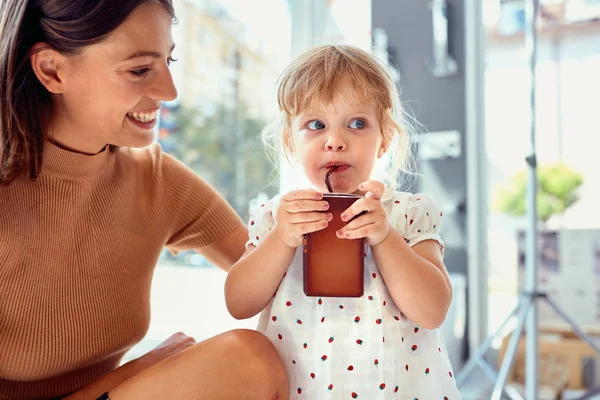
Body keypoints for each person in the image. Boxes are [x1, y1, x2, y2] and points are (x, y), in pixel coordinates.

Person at [0, 1, 289, 399]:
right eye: (139, 70)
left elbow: (276, 276)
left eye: (169, 61)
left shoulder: (155, 180)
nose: (169, 91)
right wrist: (134, 372)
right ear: (52, 70)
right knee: (246, 359)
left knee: (250, 361)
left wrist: (388, 239)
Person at [225, 45, 461, 399]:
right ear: (290, 141)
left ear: (385, 140)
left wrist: (385, 238)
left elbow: (432, 311)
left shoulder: (406, 213)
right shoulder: (276, 217)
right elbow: (238, 304)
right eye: (316, 125)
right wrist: (281, 239)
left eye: (357, 123)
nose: (335, 141)